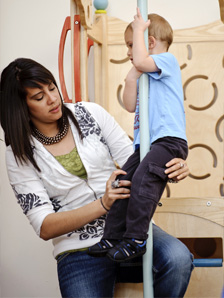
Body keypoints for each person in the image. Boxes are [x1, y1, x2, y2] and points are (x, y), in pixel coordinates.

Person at [0, 57, 193, 298]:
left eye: (51, 87)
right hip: (78, 250)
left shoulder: (90, 113)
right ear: (21, 107)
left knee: (178, 259)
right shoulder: (19, 154)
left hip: (131, 231)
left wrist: (171, 166)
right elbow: (44, 226)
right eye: (38, 97)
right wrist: (103, 204)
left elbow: (137, 162)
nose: (52, 99)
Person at [88, 9, 188, 263]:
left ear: (150, 42)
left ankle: (136, 238)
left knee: (144, 178)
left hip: (168, 141)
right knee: (123, 182)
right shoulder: (145, 74)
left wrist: (139, 31)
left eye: (131, 45)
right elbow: (130, 104)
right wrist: (132, 74)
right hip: (146, 144)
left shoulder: (167, 60)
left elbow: (143, 61)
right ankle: (113, 235)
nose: (128, 52)